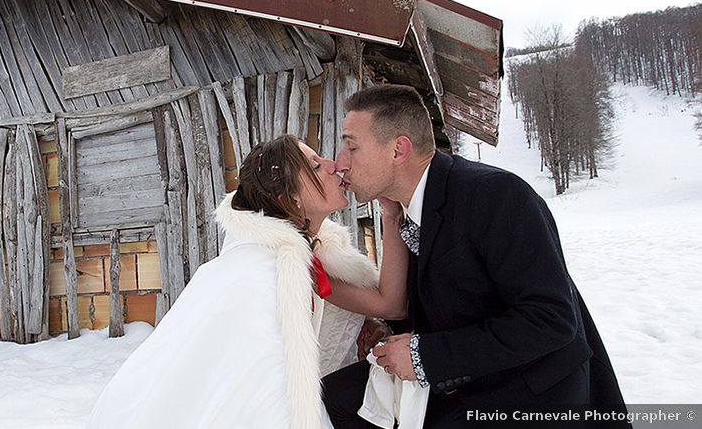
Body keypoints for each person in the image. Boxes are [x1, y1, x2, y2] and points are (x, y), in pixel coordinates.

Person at [322, 84, 628, 428]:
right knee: (328, 401)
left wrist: (426, 355)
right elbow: (455, 301)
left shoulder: (496, 196)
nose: (340, 163)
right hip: (467, 381)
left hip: (531, 394)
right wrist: (392, 331)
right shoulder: (409, 209)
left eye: (351, 147)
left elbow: (550, 319)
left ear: (398, 150)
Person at [89, 134, 406, 429]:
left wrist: (391, 217)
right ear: (291, 198)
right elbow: (256, 386)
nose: (333, 165)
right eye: (315, 166)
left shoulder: (305, 258)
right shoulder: (261, 272)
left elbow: (387, 303)